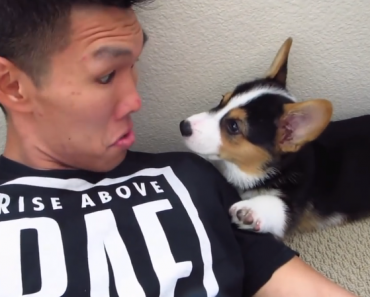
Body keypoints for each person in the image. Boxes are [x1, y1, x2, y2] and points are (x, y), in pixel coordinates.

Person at [0, 1, 358, 296]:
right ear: (13, 86)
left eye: (134, 65)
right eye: (106, 75)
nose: (136, 100)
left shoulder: (188, 175)